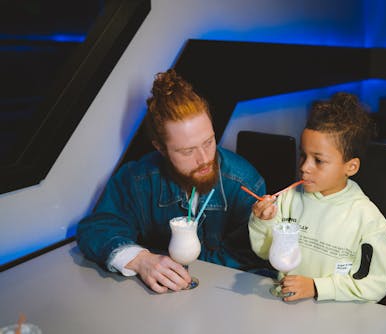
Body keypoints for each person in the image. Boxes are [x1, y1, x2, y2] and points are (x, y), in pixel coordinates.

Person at [77, 69, 268, 293]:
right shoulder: (139, 179)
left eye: (208, 142)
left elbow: (254, 259)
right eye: (187, 151)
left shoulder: (244, 181)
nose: (205, 159)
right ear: (160, 148)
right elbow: (96, 228)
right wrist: (141, 260)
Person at [249, 92, 386, 303]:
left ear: (351, 167)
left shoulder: (367, 218)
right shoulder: (289, 199)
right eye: (303, 155)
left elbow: (377, 284)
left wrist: (317, 287)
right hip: (286, 307)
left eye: (318, 160)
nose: (304, 167)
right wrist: (263, 221)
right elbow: (265, 252)